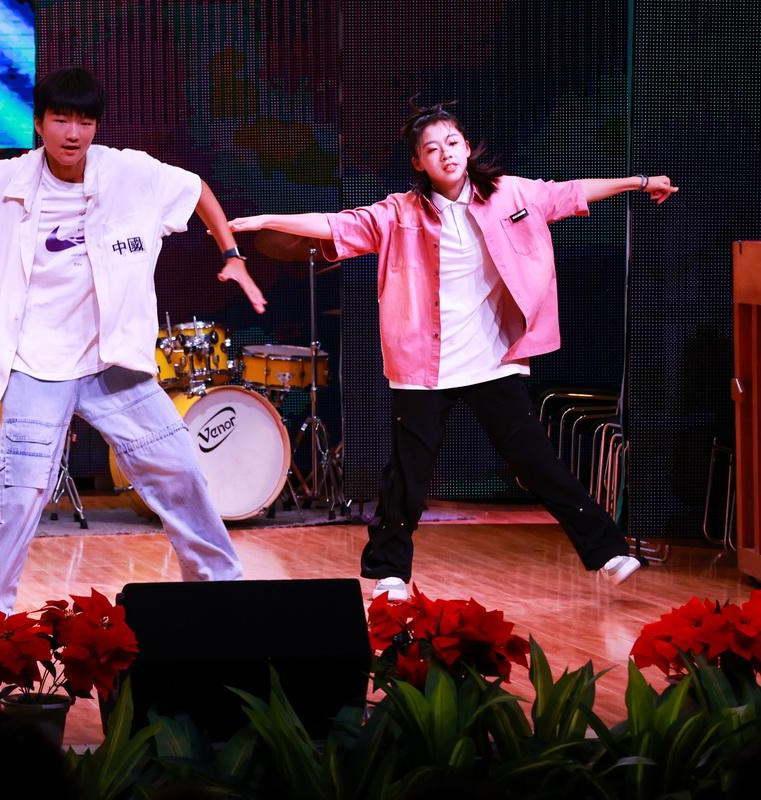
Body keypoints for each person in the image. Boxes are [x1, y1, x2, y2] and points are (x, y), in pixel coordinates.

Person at [230, 102, 677, 601]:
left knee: (536, 461)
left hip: (492, 359)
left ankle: (607, 551)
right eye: (431, 149)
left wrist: (639, 182)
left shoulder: (510, 194)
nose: (445, 154)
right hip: (423, 363)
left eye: (452, 143)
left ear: (466, 147)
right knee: (409, 474)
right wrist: (267, 218)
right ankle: (389, 572)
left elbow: (570, 192)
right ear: (418, 162)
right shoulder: (401, 212)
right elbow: (338, 224)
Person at [0, 68, 265, 632]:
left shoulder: (128, 172)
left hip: (111, 363)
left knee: (180, 472)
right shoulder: (3, 181)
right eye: (61, 120)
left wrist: (233, 255)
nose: (72, 133)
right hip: (35, 366)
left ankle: (223, 598)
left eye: (84, 121)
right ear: (39, 124)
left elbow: (195, 189)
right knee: (17, 501)